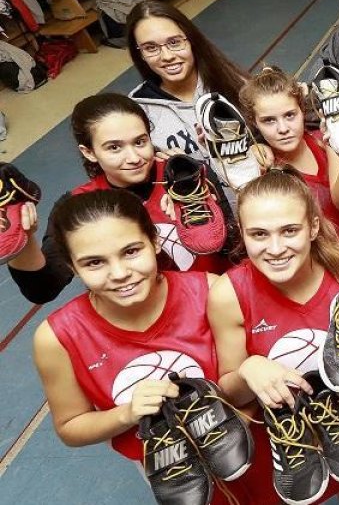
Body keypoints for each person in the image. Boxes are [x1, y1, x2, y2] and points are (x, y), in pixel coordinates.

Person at [31, 190, 274, 504]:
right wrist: (127, 414)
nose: (119, 274)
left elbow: (254, 373)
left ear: (155, 241)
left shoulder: (210, 291)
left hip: (249, 446)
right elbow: (70, 426)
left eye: (131, 251)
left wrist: (239, 420)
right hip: (173, 473)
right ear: (72, 267)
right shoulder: (56, 337)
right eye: (94, 263)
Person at [207, 168, 339, 505]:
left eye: (289, 230)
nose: (275, 248)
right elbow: (232, 394)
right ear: (243, 233)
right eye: (259, 234)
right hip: (293, 428)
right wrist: (249, 368)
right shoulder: (229, 293)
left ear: (313, 227)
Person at [8, 94, 232, 305]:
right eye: (114, 147)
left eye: (140, 142)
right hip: (150, 319)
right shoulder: (79, 205)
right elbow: (44, 289)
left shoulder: (187, 175)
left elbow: (234, 248)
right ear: (89, 152)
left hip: (219, 300)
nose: (134, 158)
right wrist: (22, 241)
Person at [239, 66, 339, 245]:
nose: (283, 129)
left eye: (289, 115)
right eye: (269, 120)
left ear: (302, 110)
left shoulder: (324, 142)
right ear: (254, 123)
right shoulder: (261, 169)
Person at [126, 0, 248, 166]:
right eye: (150, 47)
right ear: (140, 53)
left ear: (191, 40)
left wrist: (260, 148)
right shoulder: (136, 112)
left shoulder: (234, 81)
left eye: (174, 42)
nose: (167, 56)